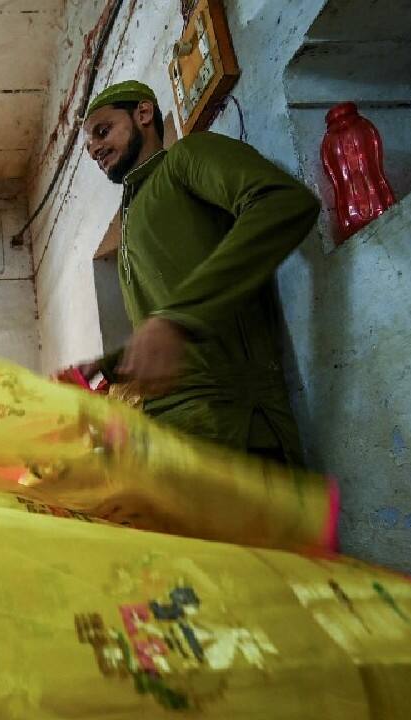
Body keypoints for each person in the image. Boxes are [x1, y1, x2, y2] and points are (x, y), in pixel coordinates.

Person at [65, 80, 320, 464]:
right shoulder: (130, 220)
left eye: (103, 131)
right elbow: (173, 324)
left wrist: (176, 321)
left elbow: (283, 202)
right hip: (177, 438)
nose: (96, 149)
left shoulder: (185, 158)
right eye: (89, 147)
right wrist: (113, 365)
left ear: (144, 114)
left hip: (237, 430)